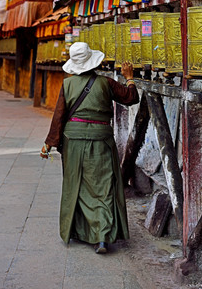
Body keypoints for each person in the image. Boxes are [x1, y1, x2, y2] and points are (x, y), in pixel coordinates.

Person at [40, 41, 139, 254]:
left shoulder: (67, 85)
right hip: (101, 140)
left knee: (77, 185)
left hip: (73, 142)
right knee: (103, 187)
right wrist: (130, 77)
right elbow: (131, 98)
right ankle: (102, 237)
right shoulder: (107, 83)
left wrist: (49, 144)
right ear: (93, 61)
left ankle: (82, 231)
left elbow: (59, 116)